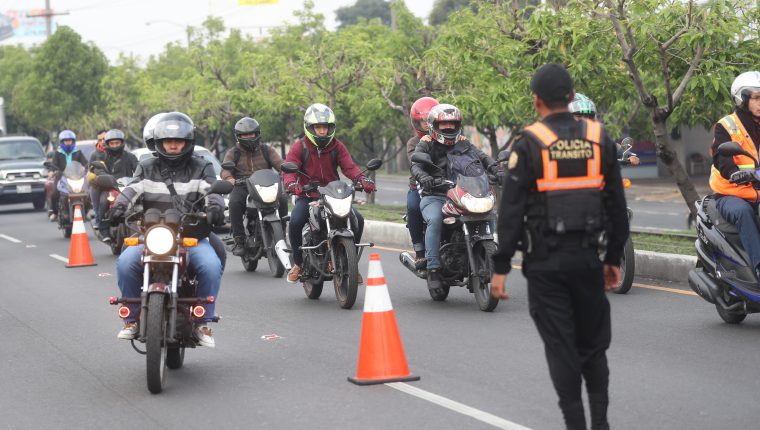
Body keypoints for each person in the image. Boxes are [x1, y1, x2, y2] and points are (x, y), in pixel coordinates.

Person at [489, 64, 628, 430]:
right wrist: (612, 259)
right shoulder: (599, 138)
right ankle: (601, 423)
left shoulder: (528, 143)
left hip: (545, 266)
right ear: (571, 97)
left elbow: (510, 213)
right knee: (593, 348)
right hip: (588, 260)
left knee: (561, 348)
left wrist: (500, 268)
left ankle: (575, 424)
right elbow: (617, 207)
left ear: (536, 101)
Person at [109, 112, 226, 347]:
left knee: (211, 265)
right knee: (125, 262)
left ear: (187, 142)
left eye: (178, 141)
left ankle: (203, 321)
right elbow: (132, 190)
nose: (173, 145)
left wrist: (215, 208)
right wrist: (119, 207)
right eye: (167, 141)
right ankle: (131, 319)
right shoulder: (146, 166)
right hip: (152, 235)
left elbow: (212, 191)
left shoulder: (201, 166)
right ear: (158, 143)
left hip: (191, 236)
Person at [283, 103, 376, 284]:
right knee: (295, 221)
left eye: (325, 127)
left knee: (358, 219)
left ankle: (351, 264)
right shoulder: (299, 147)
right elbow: (289, 170)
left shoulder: (337, 146)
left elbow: (349, 167)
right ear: (309, 127)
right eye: (318, 127)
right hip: (308, 195)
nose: (322, 131)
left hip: (334, 195)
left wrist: (363, 179)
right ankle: (298, 264)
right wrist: (292, 184)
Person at [410, 103, 499, 292]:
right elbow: (416, 164)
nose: (448, 127)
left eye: (453, 123)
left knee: (488, 212)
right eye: (444, 124)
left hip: (463, 193)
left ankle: (484, 251)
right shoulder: (426, 143)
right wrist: (424, 177)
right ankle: (433, 268)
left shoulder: (464, 143)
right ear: (434, 125)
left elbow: (482, 157)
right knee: (435, 219)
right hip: (436, 195)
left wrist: (495, 168)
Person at [709, 70, 760, 276]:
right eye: (756, 98)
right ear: (742, 99)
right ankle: (759, 267)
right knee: (743, 212)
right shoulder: (726, 126)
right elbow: (721, 159)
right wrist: (735, 173)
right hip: (731, 194)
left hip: (758, 192)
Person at [221, 116, 286, 256]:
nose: (249, 137)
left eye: (251, 134)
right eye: (245, 135)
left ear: (257, 134)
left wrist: (286, 173)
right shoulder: (233, 152)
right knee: (234, 202)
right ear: (239, 136)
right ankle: (239, 239)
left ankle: (282, 233)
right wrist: (230, 179)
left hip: (266, 185)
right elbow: (225, 170)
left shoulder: (266, 150)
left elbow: (280, 164)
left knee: (283, 198)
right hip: (242, 186)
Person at [405, 97, 439, 269]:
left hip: (445, 186)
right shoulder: (413, 142)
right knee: (413, 207)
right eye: (423, 121)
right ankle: (419, 251)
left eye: (429, 120)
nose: (427, 124)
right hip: (419, 186)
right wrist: (424, 176)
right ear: (416, 123)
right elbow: (415, 162)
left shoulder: (447, 139)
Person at [90, 129, 139, 240]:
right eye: (112, 143)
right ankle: (104, 229)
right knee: (104, 200)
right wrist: (103, 176)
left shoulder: (130, 156)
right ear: (107, 144)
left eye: (117, 143)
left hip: (128, 188)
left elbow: (138, 169)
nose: (115, 145)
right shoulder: (103, 157)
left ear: (122, 143)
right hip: (110, 187)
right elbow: (98, 170)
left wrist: (140, 176)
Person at [569, 93, 640, 166]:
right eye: (579, 116)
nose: (585, 120)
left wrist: (630, 156)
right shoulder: (562, 139)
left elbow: (614, 148)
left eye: (588, 116)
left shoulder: (597, 138)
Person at [49, 130, 88, 222]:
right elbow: (54, 165)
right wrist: (51, 171)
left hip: (76, 177)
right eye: (66, 141)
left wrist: (88, 168)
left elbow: (85, 163)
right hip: (61, 177)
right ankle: (54, 212)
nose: (68, 143)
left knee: (87, 193)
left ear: (73, 141)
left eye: (69, 141)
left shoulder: (78, 152)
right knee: (54, 194)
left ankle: (86, 212)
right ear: (62, 142)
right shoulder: (58, 153)